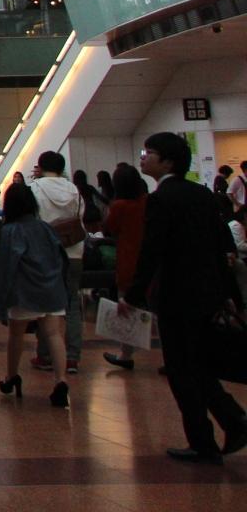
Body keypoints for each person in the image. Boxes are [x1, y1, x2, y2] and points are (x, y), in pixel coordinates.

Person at [121, 131, 247, 463]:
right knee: (198, 363)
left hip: (177, 294)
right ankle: (233, 420)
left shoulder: (161, 199)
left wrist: (134, 294)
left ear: (168, 161)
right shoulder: (201, 194)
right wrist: (229, 294)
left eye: (149, 152)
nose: (143, 157)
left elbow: (152, 251)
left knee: (180, 368)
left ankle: (204, 441)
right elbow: (222, 247)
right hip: (207, 293)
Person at [0, 182, 70, 410]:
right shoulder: (45, 228)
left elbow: (7, 266)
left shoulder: (10, 231)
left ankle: (11, 376)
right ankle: (61, 380)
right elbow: (60, 256)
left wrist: (1, 300)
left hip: (24, 289)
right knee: (54, 334)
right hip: (52, 286)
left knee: (16, 335)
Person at [27, 150, 85, 374]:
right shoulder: (74, 190)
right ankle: (72, 357)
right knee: (71, 306)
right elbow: (81, 217)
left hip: (45, 253)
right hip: (73, 251)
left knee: (45, 306)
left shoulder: (34, 189)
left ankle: (46, 354)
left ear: (40, 167)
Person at [99, 163, 148, 369]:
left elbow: (109, 229)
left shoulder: (119, 206)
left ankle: (126, 354)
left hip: (128, 259)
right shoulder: (147, 202)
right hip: (149, 258)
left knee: (127, 307)